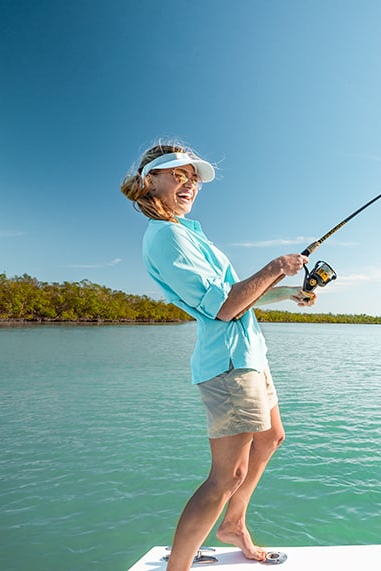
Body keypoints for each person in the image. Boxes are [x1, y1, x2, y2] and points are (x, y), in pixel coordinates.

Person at [121, 141, 315, 570]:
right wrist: (274, 267)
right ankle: (179, 567)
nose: (189, 184)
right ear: (150, 180)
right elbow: (224, 306)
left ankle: (233, 525)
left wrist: (288, 291)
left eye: (193, 178)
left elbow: (236, 298)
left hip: (249, 355)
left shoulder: (188, 232)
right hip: (229, 363)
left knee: (271, 437)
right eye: (178, 175)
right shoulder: (166, 237)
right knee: (225, 477)